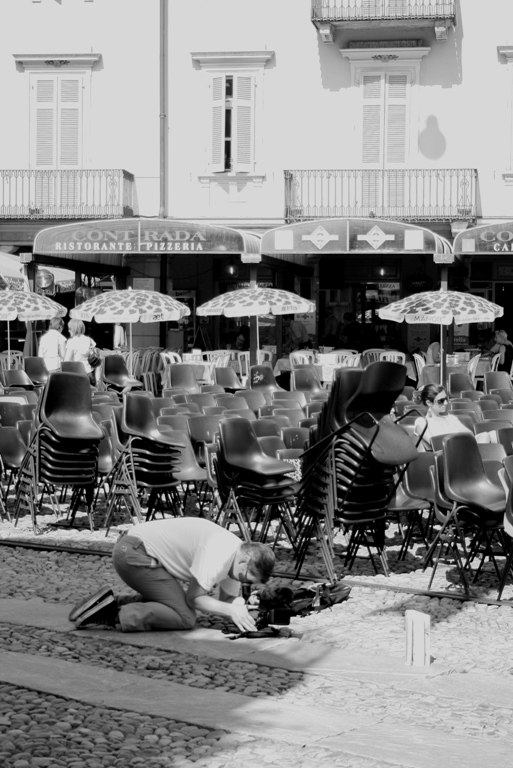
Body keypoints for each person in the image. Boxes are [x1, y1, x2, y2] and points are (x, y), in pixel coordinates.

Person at [70, 517, 275, 633]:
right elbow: (194, 599)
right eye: (246, 579)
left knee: (172, 604)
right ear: (244, 561)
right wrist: (231, 611)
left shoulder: (236, 554)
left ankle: (108, 602)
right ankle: (112, 615)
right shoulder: (219, 552)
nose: (244, 584)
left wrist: (240, 607)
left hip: (135, 551)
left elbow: (226, 600)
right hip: (133, 554)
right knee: (185, 616)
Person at [413, 384, 472, 451]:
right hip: (443, 457)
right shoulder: (422, 422)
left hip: (463, 451)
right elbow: (436, 444)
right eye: (441, 401)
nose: (446, 403)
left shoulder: (451, 418)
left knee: (484, 435)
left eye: (446, 399)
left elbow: (470, 436)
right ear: (429, 402)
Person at [65, 318, 96, 385]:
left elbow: (66, 361)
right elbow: (93, 356)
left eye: (70, 328)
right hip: (89, 373)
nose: (68, 331)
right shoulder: (89, 340)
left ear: (74, 329)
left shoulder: (71, 342)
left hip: (77, 374)